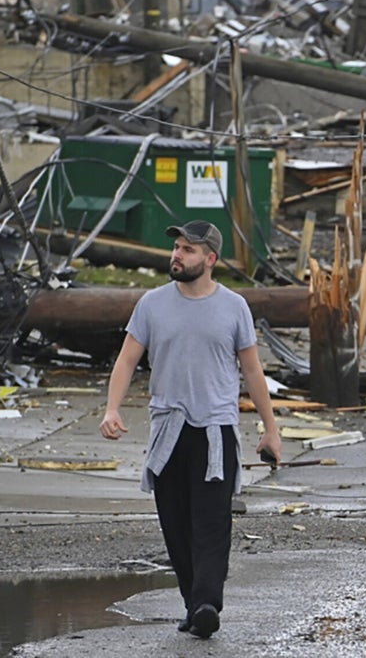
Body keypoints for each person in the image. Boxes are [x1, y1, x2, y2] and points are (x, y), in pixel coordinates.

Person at [99, 219, 281, 640]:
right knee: (176, 523)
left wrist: (270, 430)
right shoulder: (151, 304)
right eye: (177, 247)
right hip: (168, 429)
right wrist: (112, 409)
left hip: (215, 431)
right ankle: (192, 603)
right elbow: (127, 360)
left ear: (211, 259)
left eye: (188, 249)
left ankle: (206, 603)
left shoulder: (234, 306)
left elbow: (252, 370)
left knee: (212, 523)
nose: (177, 255)